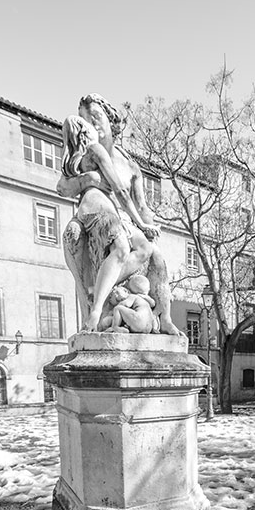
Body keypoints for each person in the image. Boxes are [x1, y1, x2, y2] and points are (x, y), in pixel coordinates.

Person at [57, 94, 180, 336]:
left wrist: (147, 225)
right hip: (100, 218)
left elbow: (141, 205)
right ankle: (98, 306)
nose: (93, 123)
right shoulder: (86, 154)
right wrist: (86, 180)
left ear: (111, 122)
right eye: (86, 120)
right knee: (88, 239)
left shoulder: (130, 166)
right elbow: (63, 187)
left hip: (126, 220)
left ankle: (164, 319)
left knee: (156, 257)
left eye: (96, 117)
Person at [60, 115, 155, 331]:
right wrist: (141, 223)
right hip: (101, 211)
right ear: (85, 131)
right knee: (127, 250)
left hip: (83, 212)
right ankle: (97, 307)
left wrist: (84, 180)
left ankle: (99, 289)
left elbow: (62, 188)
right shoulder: (95, 150)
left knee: (135, 250)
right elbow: (120, 189)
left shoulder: (72, 159)